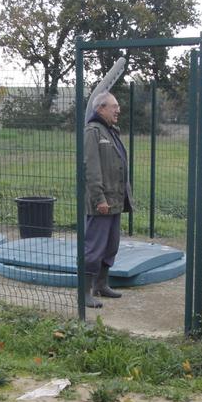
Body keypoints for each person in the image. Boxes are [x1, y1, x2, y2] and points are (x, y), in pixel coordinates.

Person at [82, 91, 132, 308]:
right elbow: (91, 169)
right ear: (100, 108)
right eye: (114, 106)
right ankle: (84, 293)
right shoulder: (93, 132)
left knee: (111, 246)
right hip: (101, 204)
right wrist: (99, 198)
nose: (118, 110)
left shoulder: (110, 131)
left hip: (115, 201)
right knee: (93, 249)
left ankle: (101, 285)